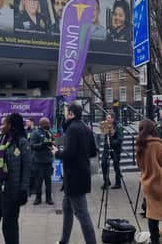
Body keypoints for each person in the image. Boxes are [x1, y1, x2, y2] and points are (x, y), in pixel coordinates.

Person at [0, 113, 31, 244]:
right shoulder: (1, 139)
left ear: (11, 126)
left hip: (12, 191)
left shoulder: (21, 142)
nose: (1, 126)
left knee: (9, 226)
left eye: (4, 123)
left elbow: (27, 168)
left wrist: (23, 190)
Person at [52, 103, 97, 244]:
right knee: (67, 208)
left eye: (66, 112)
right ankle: (63, 241)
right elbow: (93, 151)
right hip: (81, 174)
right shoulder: (86, 128)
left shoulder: (72, 129)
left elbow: (69, 153)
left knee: (82, 214)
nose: (65, 115)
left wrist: (57, 153)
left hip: (74, 177)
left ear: (71, 114)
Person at [31, 117, 54, 205]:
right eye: (47, 123)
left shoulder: (50, 132)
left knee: (48, 181)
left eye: (49, 123)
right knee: (38, 181)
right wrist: (42, 145)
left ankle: (49, 198)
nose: (49, 125)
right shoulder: (35, 133)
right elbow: (32, 146)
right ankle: (38, 198)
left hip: (48, 161)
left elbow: (53, 142)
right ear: (42, 124)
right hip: (39, 161)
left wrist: (52, 144)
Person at [101, 112, 123, 189]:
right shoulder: (105, 124)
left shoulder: (118, 126)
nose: (107, 119)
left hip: (115, 148)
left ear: (113, 119)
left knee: (116, 165)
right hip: (107, 148)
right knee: (103, 163)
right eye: (107, 118)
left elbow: (120, 139)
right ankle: (106, 181)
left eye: (109, 118)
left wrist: (112, 143)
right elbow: (104, 135)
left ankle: (118, 182)